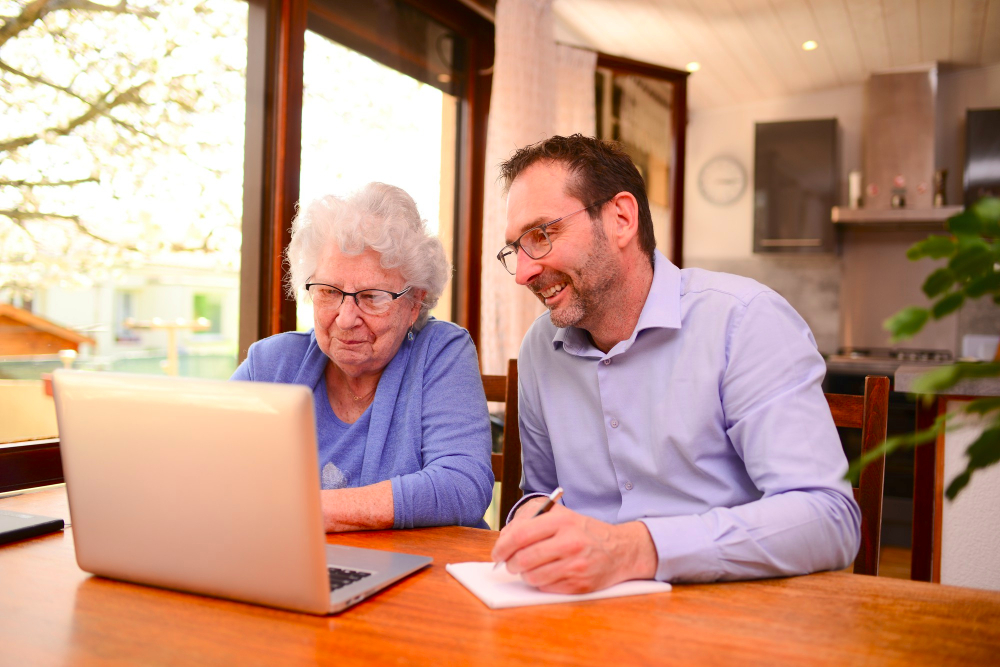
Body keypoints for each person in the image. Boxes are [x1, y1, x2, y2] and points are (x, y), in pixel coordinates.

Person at [490, 135, 860, 593]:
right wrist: (531, 516)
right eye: (515, 250)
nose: (524, 272)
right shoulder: (539, 348)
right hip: (580, 614)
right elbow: (543, 494)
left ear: (621, 219)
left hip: (724, 612)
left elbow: (828, 519)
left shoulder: (744, 321)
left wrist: (632, 549)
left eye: (541, 236)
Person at [232, 183, 493, 531]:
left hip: (421, 571)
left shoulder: (441, 352)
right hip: (298, 568)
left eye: (371, 297)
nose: (345, 318)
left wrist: (311, 509)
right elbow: (208, 467)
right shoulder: (272, 363)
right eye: (328, 292)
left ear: (415, 302)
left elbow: (463, 486)